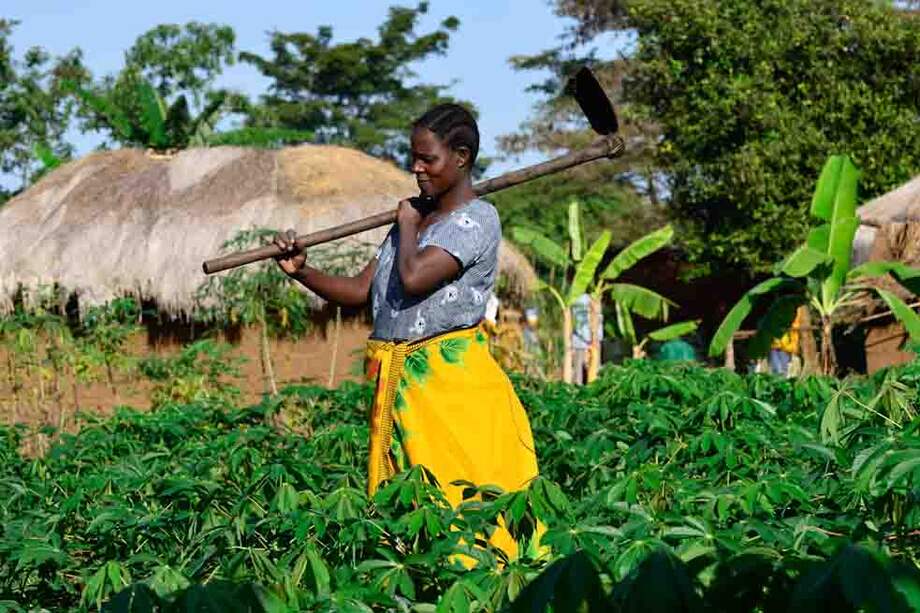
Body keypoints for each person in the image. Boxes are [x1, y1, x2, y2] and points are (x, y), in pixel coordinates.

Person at [273, 104, 541, 560]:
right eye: (412, 157)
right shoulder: (413, 226)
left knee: (462, 500)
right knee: (408, 505)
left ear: (460, 157)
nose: (416, 168)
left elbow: (415, 278)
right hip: (399, 384)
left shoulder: (477, 221)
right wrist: (302, 271)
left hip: (451, 387)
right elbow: (361, 290)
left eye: (427, 159)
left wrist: (410, 225)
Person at [570, 292, 602, 384]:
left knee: (595, 372)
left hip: (593, 342)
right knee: (578, 375)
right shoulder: (576, 297)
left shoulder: (595, 296)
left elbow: (598, 320)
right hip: (579, 343)